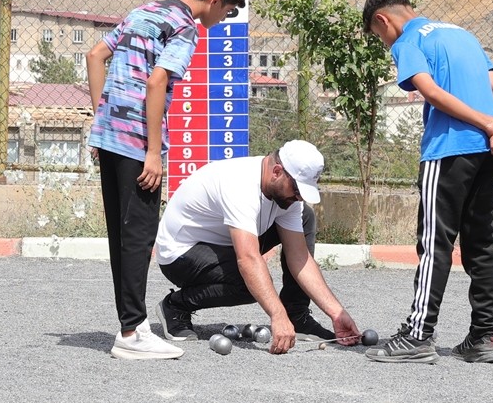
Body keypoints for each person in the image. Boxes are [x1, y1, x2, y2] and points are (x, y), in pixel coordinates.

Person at [85, 0, 247, 360]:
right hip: (139, 143)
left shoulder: (145, 11)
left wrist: (102, 120)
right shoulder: (185, 27)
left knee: (122, 238)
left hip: (109, 137)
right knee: (139, 238)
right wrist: (153, 152)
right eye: (226, 13)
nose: (222, 21)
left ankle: (132, 325)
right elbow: (158, 81)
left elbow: (94, 55)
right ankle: (131, 333)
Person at [361, 0, 493, 364]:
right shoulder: (461, 34)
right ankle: (482, 337)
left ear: (383, 20)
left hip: (447, 152)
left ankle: (417, 335)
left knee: (435, 244)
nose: (384, 44)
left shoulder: (408, 41)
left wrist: (485, 122)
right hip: (486, 152)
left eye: (378, 36)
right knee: (481, 245)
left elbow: (428, 90)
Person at [154, 140, 362, 354]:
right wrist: (276, 315)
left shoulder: (287, 194)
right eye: (298, 189)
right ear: (277, 171)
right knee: (250, 281)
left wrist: (336, 313)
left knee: (304, 216)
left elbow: (299, 257)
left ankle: (296, 315)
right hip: (181, 255)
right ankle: (176, 305)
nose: (299, 197)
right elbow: (248, 260)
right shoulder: (240, 184)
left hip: (224, 244)